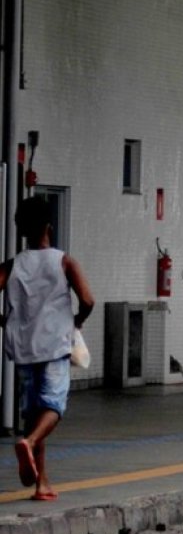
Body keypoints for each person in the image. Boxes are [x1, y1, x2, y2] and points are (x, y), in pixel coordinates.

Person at [0, 197, 95, 501]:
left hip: (24, 349)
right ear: (48, 226)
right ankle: (28, 443)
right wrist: (76, 321)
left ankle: (42, 483)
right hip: (55, 346)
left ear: (22, 229)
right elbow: (89, 300)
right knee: (53, 407)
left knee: (33, 414)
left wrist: (4, 320)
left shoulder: (13, 264)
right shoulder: (64, 261)